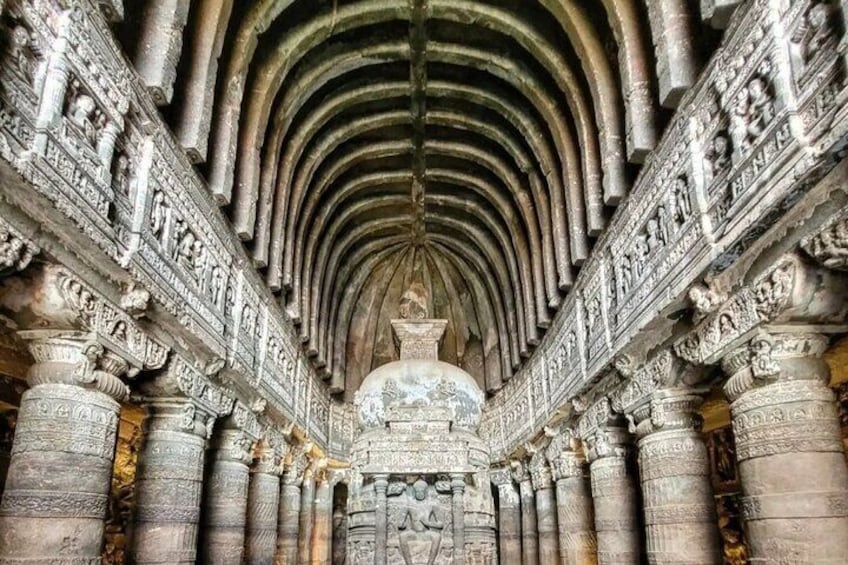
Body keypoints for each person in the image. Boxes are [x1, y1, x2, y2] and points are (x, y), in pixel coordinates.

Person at [398, 479, 443, 565]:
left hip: (426, 532)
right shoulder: (409, 504)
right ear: (414, 492)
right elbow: (401, 522)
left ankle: (430, 563)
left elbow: (440, 524)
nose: (419, 493)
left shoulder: (431, 504)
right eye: (417, 491)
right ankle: (409, 563)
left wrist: (428, 523)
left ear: (426, 492)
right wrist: (401, 525)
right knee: (402, 536)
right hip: (413, 532)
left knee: (437, 536)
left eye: (421, 491)